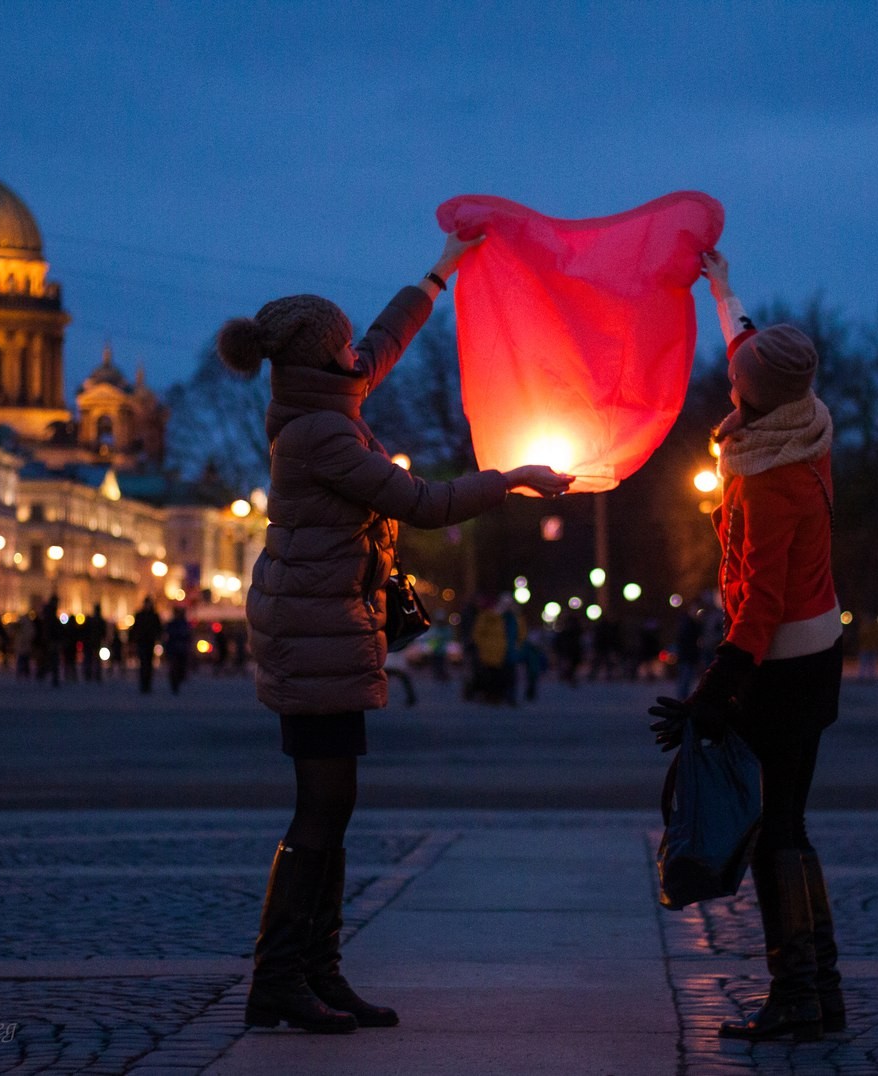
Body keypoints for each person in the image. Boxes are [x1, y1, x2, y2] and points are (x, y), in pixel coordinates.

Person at [216, 229, 573, 1034]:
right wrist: (509, 481)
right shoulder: (322, 435)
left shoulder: (319, 399)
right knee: (322, 806)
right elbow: (422, 503)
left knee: (331, 808)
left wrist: (439, 271)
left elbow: (383, 341)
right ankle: (280, 979)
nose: (357, 350)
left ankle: (319, 971)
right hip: (313, 632)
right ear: (322, 358)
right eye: (344, 344)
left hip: (321, 624)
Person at [650, 249, 844, 1043]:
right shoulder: (807, 423)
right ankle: (818, 988)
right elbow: (750, 351)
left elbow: (759, 604)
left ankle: (798, 995)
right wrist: (720, 286)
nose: (731, 382)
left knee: (777, 831)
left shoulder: (768, 480)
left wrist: (715, 690)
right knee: (789, 821)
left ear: (751, 398)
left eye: (739, 381)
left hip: (783, 666)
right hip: (815, 651)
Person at [129, 596, 162, 694]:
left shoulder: (153, 616)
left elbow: (158, 628)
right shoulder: (140, 615)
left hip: (149, 642)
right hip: (142, 642)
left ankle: (147, 684)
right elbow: (135, 629)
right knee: (143, 664)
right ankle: (144, 684)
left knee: (148, 664)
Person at [164, 606, 193, 694]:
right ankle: (175, 684)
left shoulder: (183, 624)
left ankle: (178, 681)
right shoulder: (173, 624)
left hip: (181, 649)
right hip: (174, 649)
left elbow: (188, 636)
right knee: (174, 668)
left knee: (180, 667)